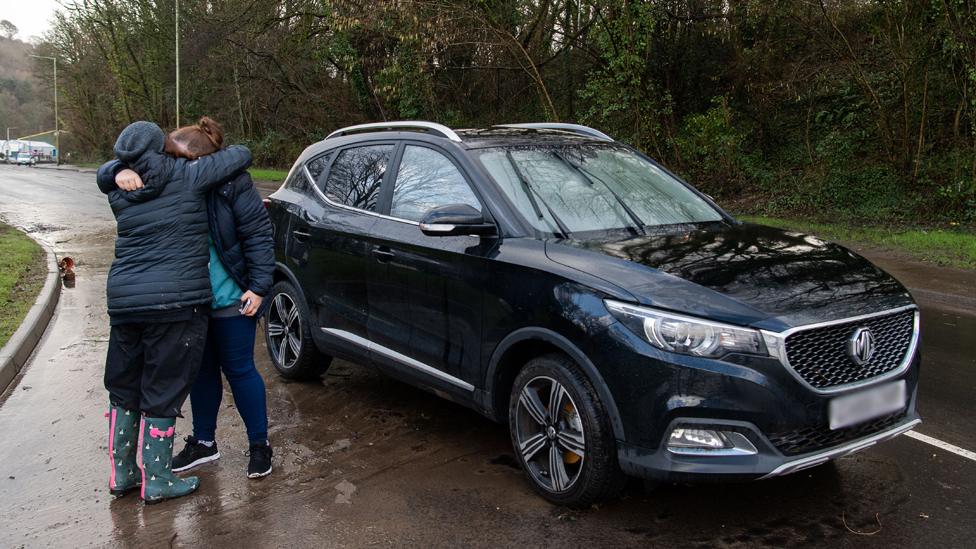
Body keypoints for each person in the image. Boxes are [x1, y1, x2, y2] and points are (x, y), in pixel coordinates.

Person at [96, 121, 252, 504]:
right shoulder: (189, 175)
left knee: (124, 387)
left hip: (125, 303)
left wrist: (117, 169)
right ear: (165, 145)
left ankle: (123, 474)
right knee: (162, 390)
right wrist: (184, 153)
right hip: (174, 302)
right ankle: (159, 479)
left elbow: (103, 174)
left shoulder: (118, 188)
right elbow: (241, 153)